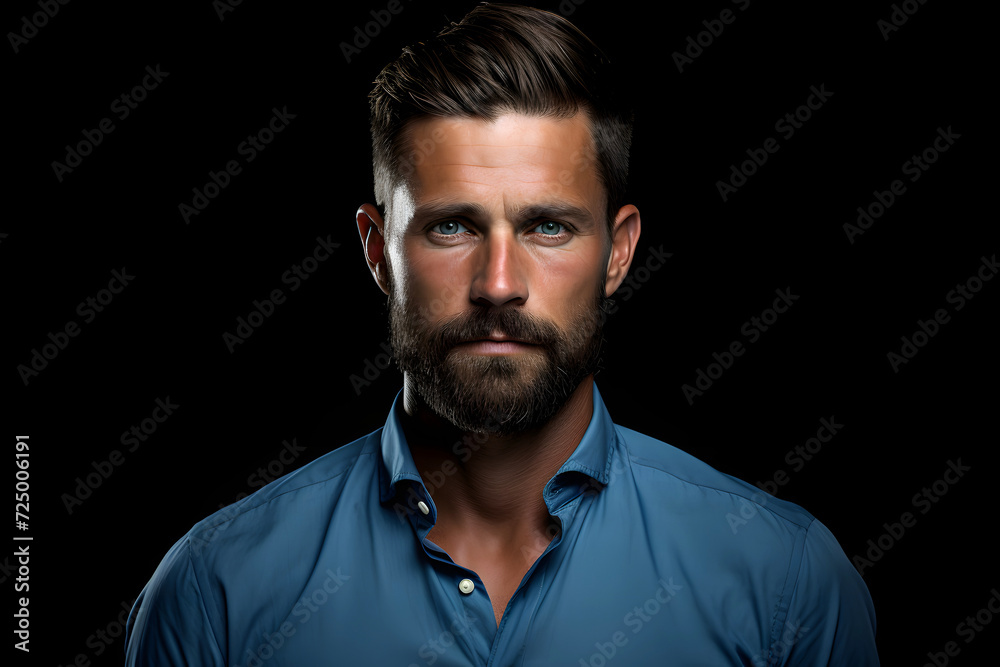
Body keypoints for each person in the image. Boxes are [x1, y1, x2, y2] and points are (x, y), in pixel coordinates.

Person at [125, 3, 879, 664]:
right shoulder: (215, 592)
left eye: (548, 226)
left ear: (617, 252)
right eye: (452, 225)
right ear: (376, 250)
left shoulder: (787, 584)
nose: (496, 283)